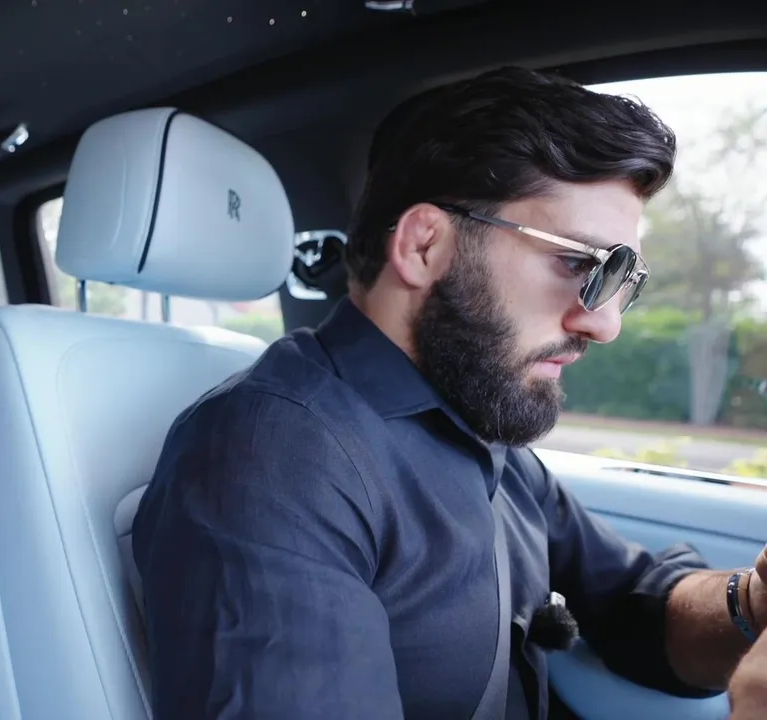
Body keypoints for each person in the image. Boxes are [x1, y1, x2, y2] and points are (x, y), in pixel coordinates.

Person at [132, 66, 767, 719]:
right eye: (580, 263)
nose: (605, 324)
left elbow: (634, 602)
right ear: (424, 245)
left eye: (621, 280)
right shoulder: (273, 458)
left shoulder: (480, 418)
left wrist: (753, 601)